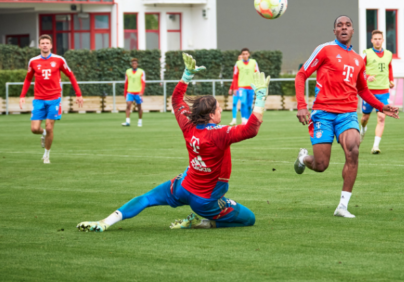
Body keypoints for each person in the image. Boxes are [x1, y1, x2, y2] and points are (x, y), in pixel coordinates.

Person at [77, 54, 270, 232]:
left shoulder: (188, 124)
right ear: (211, 114)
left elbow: (177, 99)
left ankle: (105, 222)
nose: (221, 111)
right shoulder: (220, 134)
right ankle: (204, 222)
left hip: (184, 186)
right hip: (205, 200)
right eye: (219, 109)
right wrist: (260, 98)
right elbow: (251, 129)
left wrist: (186, 76)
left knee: (146, 199)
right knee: (249, 218)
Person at [293, 16, 400, 218]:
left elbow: (363, 89)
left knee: (353, 150)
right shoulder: (324, 50)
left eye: (347, 25)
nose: (344, 28)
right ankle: (303, 158)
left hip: (348, 114)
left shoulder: (359, 59)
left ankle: (342, 206)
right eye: (339, 26)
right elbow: (301, 75)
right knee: (321, 165)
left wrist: (381, 106)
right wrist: (301, 106)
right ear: (334, 31)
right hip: (323, 113)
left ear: (353, 31)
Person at [19, 35, 84, 164]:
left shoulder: (59, 60)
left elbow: (70, 75)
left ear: (51, 45)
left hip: (54, 99)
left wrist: (78, 93)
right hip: (39, 99)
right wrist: (22, 96)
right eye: (42, 43)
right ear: (39, 46)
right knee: (34, 129)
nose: (44, 45)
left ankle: (46, 154)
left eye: (47, 43)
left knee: (49, 127)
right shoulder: (33, 61)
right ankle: (43, 134)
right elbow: (28, 79)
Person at [360, 30, 395, 154]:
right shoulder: (366, 53)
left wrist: (391, 80)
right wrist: (367, 76)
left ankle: (375, 146)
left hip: (383, 92)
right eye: (375, 39)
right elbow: (360, 69)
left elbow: (389, 67)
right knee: (365, 118)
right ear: (371, 40)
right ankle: (363, 129)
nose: (377, 41)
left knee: (381, 118)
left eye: (379, 38)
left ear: (383, 40)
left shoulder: (389, 54)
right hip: (368, 93)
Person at [229, 48, 259, 124]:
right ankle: (244, 120)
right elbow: (235, 76)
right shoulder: (238, 63)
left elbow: (257, 74)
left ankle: (249, 120)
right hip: (241, 87)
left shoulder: (254, 62)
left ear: (249, 54)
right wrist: (235, 88)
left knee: (249, 106)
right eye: (243, 54)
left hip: (251, 87)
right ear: (241, 55)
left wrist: (257, 85)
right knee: (243, 103)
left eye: (246, 54)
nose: (245, 55)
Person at [122, 58, 145, 127]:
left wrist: (142, 91)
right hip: (130, 92)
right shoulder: (128, 71)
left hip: (138, 93)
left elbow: (143, 82)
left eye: (135, 63)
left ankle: (140, 121)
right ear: (131, 64)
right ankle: (127, 121)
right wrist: (125, 92)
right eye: (133, 63)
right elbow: (126, 82)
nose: (134, 64)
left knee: (139, 107)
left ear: (137, 64)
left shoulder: (141, 71)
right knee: (128, 105)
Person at [228, 54, 243, 125]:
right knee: (234, 104)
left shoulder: (245, 68)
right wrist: (231, 88)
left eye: (241, 58)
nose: (239, 59)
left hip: (243, 89)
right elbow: (234, 78)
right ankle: (234, 119)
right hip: (236, 89)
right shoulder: (236, 66)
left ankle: (245, 119)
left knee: (244, 104)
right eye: (239, 58)